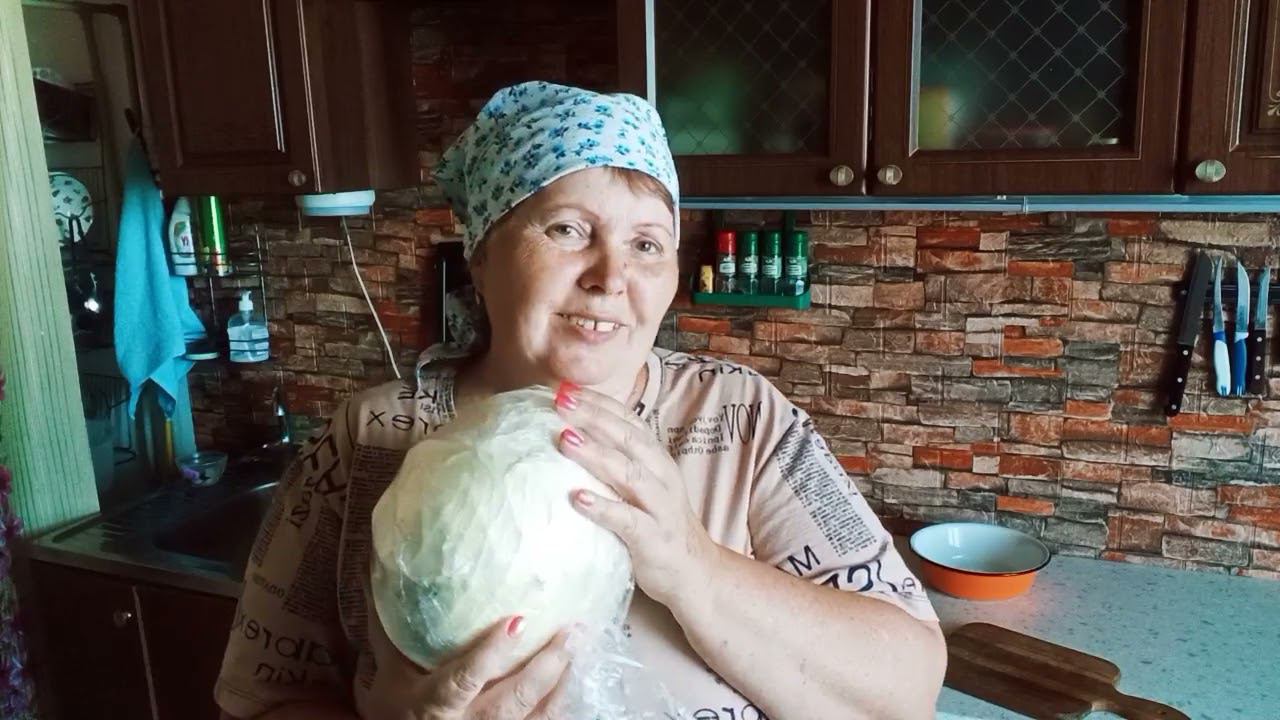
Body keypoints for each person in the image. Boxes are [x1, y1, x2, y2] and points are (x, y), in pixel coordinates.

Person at [215, 81, 946, 720]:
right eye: (568, 229)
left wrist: (694, 565)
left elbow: (906, 693)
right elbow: (259, 702)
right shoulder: (373, 436)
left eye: (647, 244)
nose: (610, 276)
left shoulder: (739, 419)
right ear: (481, 256)